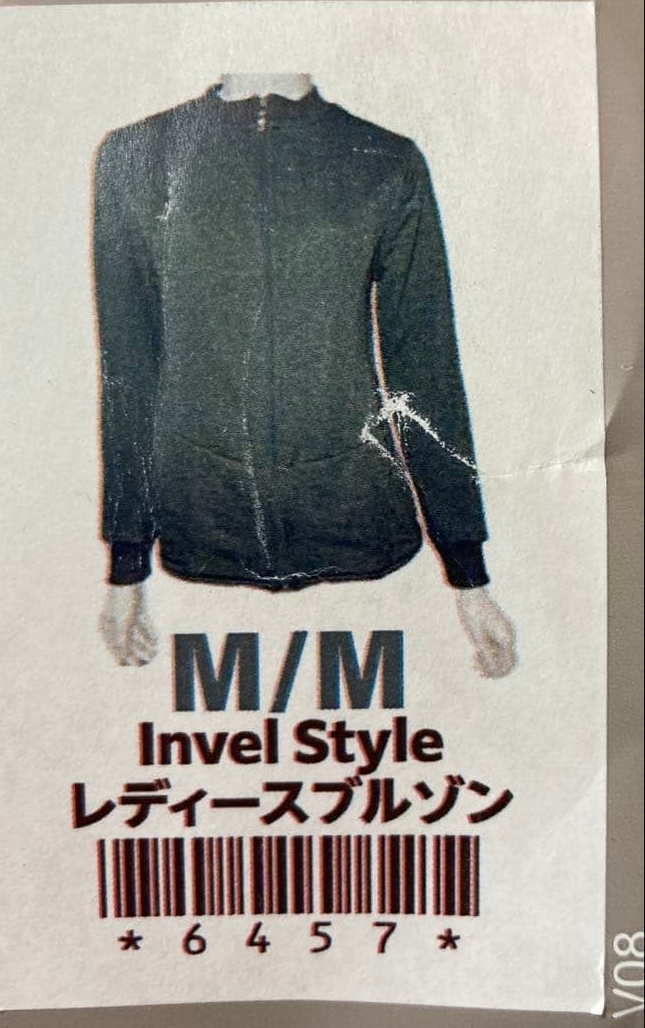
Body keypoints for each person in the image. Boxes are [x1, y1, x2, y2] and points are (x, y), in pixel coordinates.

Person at [93, 73, 516, 678]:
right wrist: (126, 565)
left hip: (367, 543)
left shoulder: (383, 160)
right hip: (200, 541)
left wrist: (469, 575)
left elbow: (425, 365)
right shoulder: (137, 156)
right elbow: (128, 371)